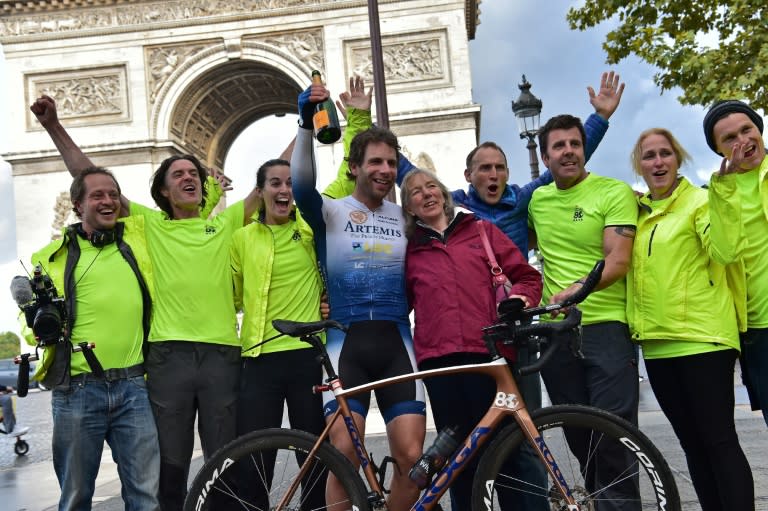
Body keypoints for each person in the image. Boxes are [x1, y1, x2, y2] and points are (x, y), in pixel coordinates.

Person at [30, 95, 260, 510]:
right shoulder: (146, 227)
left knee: (225, 459)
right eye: (178, 174)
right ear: (163, 190)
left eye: (194, 172)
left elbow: (271, 184)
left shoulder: (224, 225)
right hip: (167, 356)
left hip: (222, 354)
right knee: (168, 466)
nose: (188, 177)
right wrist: (54, 128)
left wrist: (305, 121)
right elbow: (91, 182)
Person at [291, 83, 426, 511]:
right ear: (354, 167)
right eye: (375, 162)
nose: (385, 169)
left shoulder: (406, 219)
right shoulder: (330, 211)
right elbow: (299, 183)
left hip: (396, 343)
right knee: (344, 456)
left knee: (411, 458)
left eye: (391, 162)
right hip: (345, 343)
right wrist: (304, 125)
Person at [627, 128, 754, 511]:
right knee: (691, 445)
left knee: (718, 440)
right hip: (657, 344)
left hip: (703, 338)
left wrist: (726, 191)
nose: (658, 161)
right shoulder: (639, 213)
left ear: (678, 159)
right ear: (640, 166)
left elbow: (727, 250)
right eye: (649, 156)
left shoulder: (700, 201)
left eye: (665, 153)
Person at [401, 167, 542, 510]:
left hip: (489, 353)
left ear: (445, 194)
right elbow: (397, 304)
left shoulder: (481, 231)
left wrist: (519, 300)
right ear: (408, 207)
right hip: (440, 362)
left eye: (432, 185)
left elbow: (527, 276)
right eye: (416, 192)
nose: (427, 193)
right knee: (458, 457)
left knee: (509, 451)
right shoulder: (408, 252)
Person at [26, 167, 160, 510]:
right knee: (75, 499)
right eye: (97, 195)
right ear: (77, 205)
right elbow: (35, 325)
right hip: (77, 392)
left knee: (146, 498)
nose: (108, 201)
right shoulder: (47, 257)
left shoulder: (140, 243)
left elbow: (188, 212)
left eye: (113, 194)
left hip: (134, 388)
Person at [527, 114, 639, 510]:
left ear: (584, 148)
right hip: (555, 333)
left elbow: (618, 260)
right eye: (559, 146)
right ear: (545, 158)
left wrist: (574, 292)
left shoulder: (613, 191)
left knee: (613, 436)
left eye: (575, 143)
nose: (569, 151)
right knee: (581, 438)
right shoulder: (537, 201)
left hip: (605, 326)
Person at [229, 158, 326, 508]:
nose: (284, 190)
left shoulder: (314, 231)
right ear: (261, 192)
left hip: (308, 355)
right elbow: (233, 295)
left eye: (289, 183)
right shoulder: (240, 239)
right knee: (255, 459)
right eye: (275, 183)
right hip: (259, 357)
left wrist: (356, 119)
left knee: (315, 453)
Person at [702, 100, 768, 426]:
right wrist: (725, 191)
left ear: (759, 129)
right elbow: (724, 254)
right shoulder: (719, 191)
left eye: (746, 129)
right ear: (719, 150)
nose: (741, 140)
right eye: (729, 138)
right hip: (760, 329)